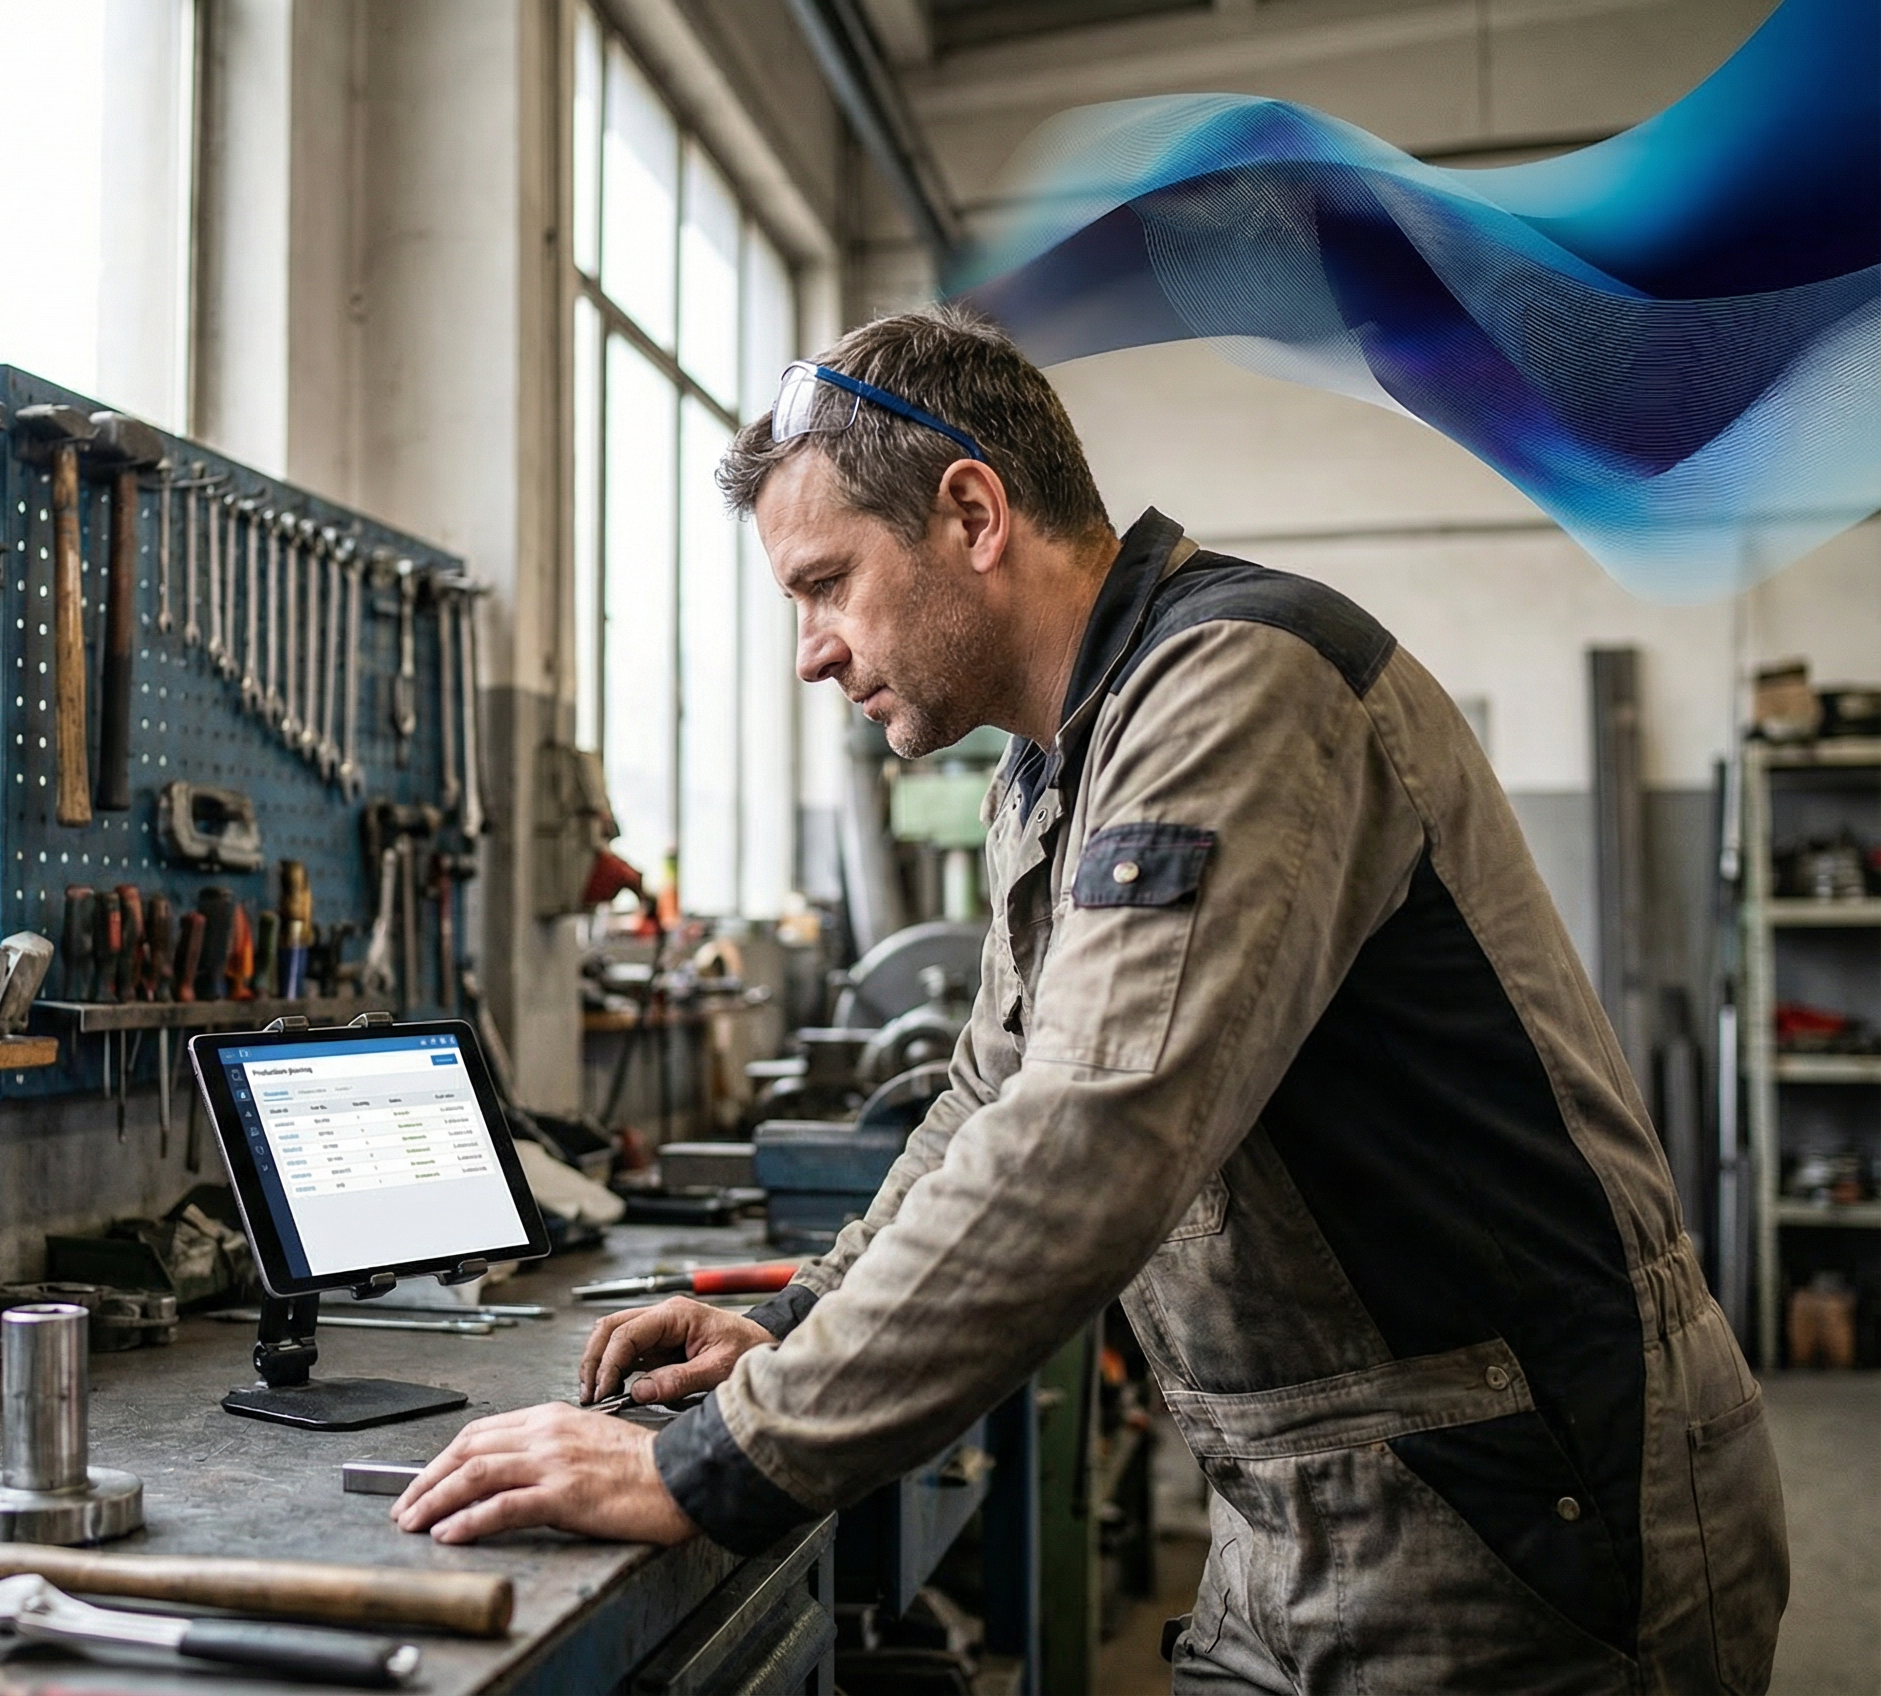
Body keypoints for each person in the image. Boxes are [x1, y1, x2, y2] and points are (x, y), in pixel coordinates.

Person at [392, 305, 1787, 1692]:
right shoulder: (1056, 766)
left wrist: (722, 1461)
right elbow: (991, 1096)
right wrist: (796, 1318)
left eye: (824, 582)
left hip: (1521, 1496)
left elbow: (1094, 1132)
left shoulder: (1237, 683)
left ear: (974, 513)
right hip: (1311, 1501)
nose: (810, 650)